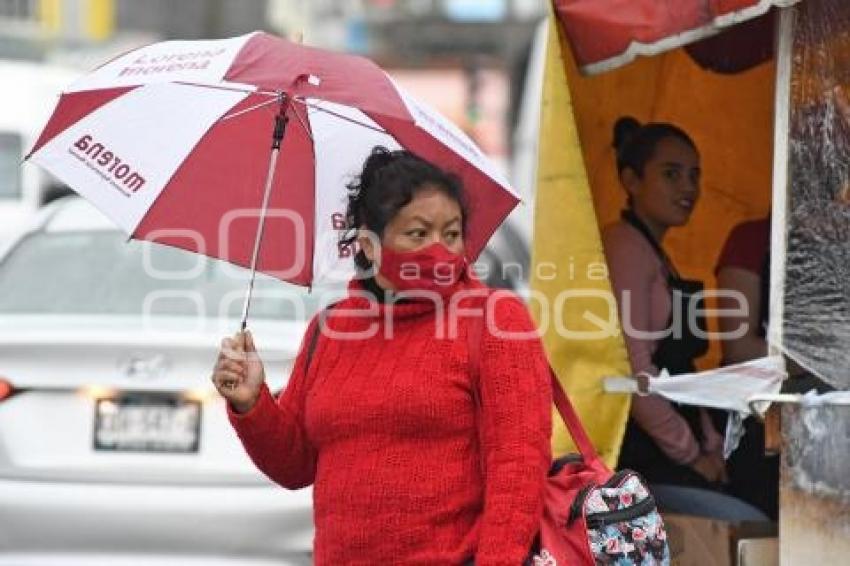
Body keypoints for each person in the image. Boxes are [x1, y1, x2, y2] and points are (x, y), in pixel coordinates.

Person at [211, 147, 553, 565]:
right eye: (417, 233)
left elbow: (519, 466)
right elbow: (296, 467)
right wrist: (252, 403)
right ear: (369, 245)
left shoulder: (496, 319)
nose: (440, 251)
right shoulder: (329, 328)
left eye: (451, 233)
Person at [602, 117, 729, 490]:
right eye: (671, 175)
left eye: (694, 175)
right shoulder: (624, 247)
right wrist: (691, 455)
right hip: (644, 454)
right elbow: (634, 371)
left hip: (676, 438)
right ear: (631, 181)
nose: (688, 187)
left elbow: (679, 368)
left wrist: (711, 443)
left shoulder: (655, 253)